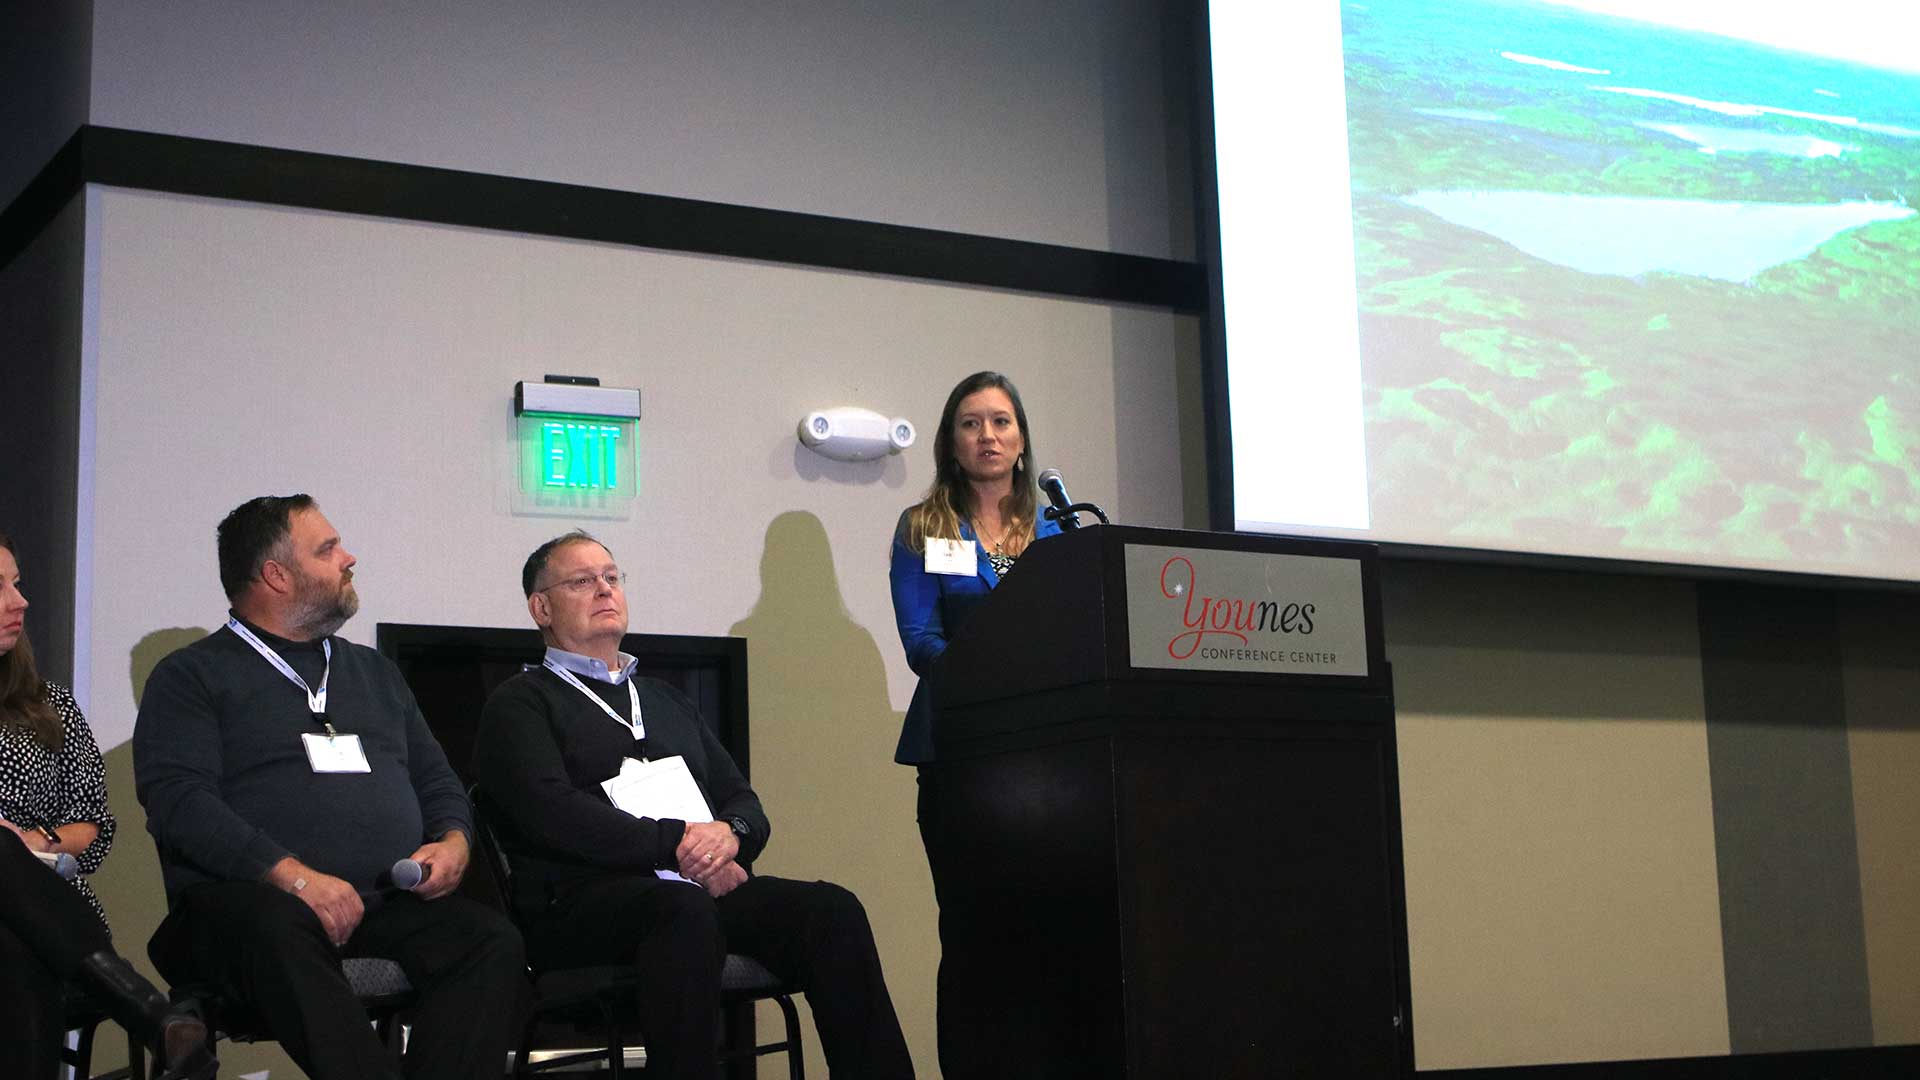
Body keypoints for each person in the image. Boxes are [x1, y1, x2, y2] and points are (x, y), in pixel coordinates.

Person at [475, 531, 914, 1080]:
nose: (605, 590)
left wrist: (730, 835)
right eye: (582, 581)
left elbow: (742, 800)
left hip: (694, 888)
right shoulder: (521, 702)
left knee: (832, 911)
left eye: (612, 577)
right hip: (581, 901)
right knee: (684, 914)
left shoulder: (663, 698)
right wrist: (678, 844)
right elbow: (552, 811)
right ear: (540, 607)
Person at [133, 496, 529, 1080]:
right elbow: (178, 803)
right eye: (327, 549)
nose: (349, 558)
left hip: (376, 904)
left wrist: (453, 841)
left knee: (489, 941)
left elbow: (436, 778)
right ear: (276, 574)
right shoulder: (192, 675)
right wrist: (293, 876)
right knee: (281, 924)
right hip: (246, 911)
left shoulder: (373, 672)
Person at [885, 371, 1061, 1070]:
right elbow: (921, 639)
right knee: (972, 929)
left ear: (1021, 441)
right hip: (962, 750)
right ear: (950, 443)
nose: (986, 436)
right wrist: (997, 670)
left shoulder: (1058, 530)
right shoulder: (926, 528)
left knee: (1051, 928)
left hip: (1055, 756)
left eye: (1000, 422)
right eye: (970, 424)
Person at [0, 532, 216, 1080]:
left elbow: (92, 827)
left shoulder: (51, 706)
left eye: (17, 583)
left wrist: (27, 844)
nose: (19, 600)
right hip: (55, 927)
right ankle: (151, 1014)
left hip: (47, 910)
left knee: (15, 939)